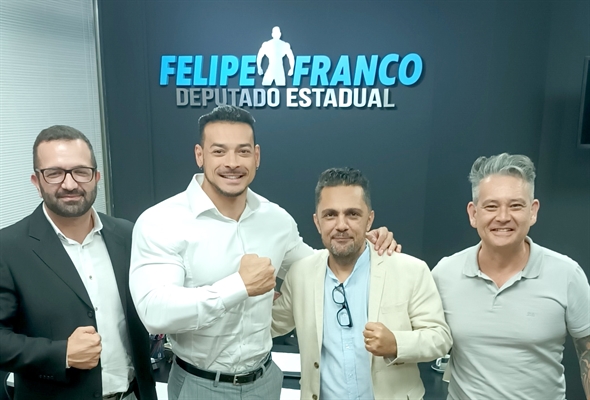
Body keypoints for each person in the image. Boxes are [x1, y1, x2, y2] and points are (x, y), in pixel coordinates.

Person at [129, 105, 398, 400]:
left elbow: (318, 268)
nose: (232, 163)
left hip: (265, 381)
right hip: (200, 385)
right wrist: (239, 286)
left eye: (243, 152)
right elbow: (155, 312)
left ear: (256, 156)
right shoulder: (161, 220)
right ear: (199, 154)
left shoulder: (276, 219)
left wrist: (366, 244)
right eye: (219, 151)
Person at [0, 125, 156, 400]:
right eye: (54, 173)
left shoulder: (127, 235)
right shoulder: (8, 247)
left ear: (96, 177)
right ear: (36, 182)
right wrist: (61, 354)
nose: (70, 184)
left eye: (80, 172)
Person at [271, 167, 452, 400]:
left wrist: (396, 343)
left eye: (353, 214)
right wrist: (252, 295)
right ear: (317, 222)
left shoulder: (410, 270)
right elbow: (271, 325)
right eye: (330, 215)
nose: (341, 225)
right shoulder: (300, 274)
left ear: (370, 219)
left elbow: (440, 338)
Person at [432, 153, 590, 400]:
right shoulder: (444, 273)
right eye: (491, 206)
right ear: (474, 214)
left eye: (515, 205)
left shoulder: (567, 274)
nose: (503, 217)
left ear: (533, 211)